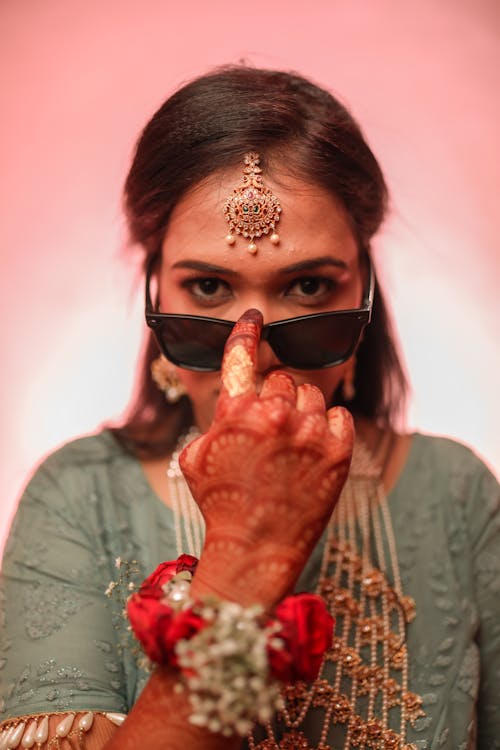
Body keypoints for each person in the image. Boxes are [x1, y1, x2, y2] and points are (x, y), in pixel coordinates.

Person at [0, 66, 498, 750]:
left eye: (311, 287)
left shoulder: (457, 492)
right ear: (156, 294)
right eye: (207, 286)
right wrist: (242, 553)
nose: (253, 356)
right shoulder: (78, 497)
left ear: (367, 295)